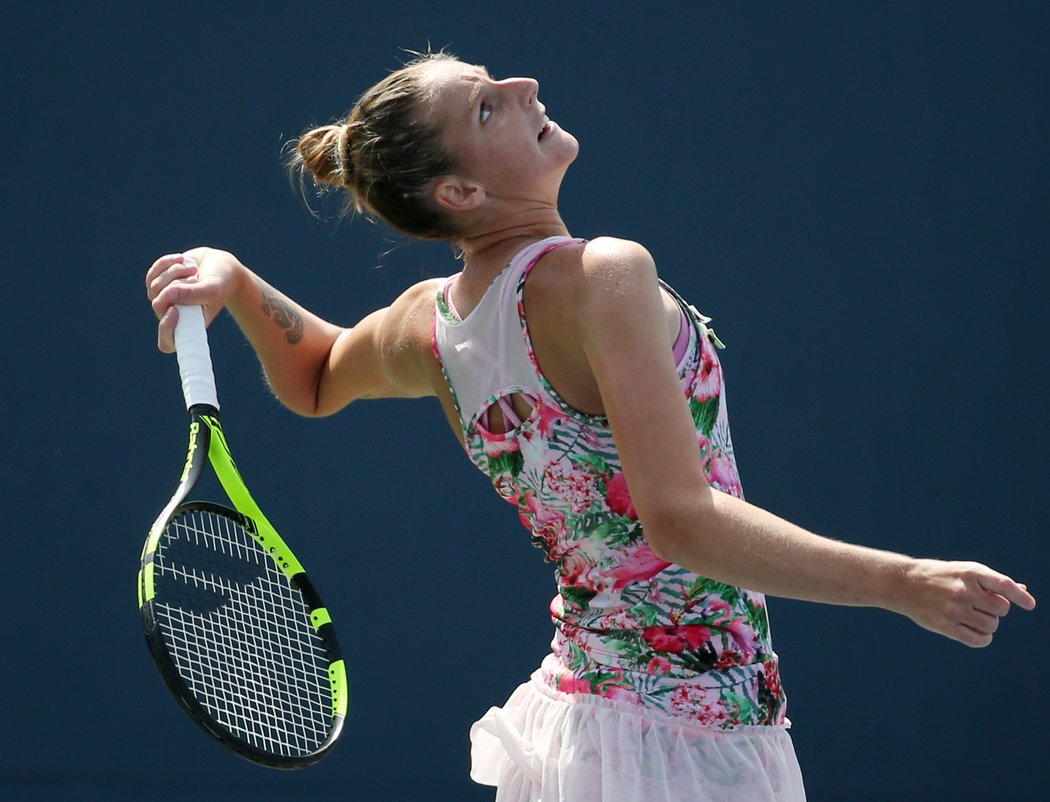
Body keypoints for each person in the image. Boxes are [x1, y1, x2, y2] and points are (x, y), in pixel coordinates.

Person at [145, 51, 1035, 802]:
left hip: (585, 731)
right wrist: (902, 580)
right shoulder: (605, 274)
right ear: (459, 189)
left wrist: (237, 281)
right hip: (680, 750)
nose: (526, 86)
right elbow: (680, 520)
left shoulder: (430, 325)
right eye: (489, 106)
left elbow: (314, 377)